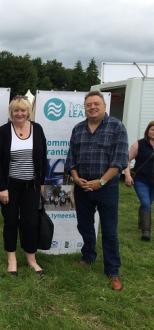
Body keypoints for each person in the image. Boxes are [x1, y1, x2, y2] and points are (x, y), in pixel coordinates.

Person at [65, 90, 128, 291]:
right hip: (82, 187)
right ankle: (88, 256)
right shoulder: (78, 129)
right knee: (84, 226)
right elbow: (71, 159)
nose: (92, 107)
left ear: (104, 106)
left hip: (106, 188)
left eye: (96, 104)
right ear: (85, 108)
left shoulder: (117, 127)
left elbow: (120, 160)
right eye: (88, 105)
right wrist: (75, 178)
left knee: (109, 231)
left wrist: (101, 181)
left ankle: (113, 270)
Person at [0, 95, 47, 277]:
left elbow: (43, 158)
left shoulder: (37, 129)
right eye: (16, 110)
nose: (20, 113)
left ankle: (31, 259)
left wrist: (42, 182)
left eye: (23, 110)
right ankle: (12, 260)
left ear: (28, 112)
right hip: (10, 187)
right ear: (11, 112)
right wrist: (2, 187)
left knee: (31, 223)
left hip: (31, 186)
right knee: (10, 223)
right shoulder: (3, 131)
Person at [124, 120, 154, 241]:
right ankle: (146, 231)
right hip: (141, 180)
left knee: (147, 203)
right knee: (146, 203)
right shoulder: (139, 144)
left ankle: (142, 221)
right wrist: (127, 175)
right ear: (148, 131)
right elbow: (127, 159)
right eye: (152, 129)